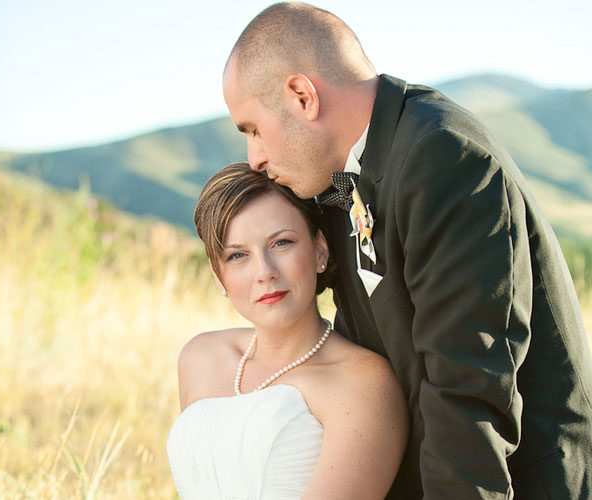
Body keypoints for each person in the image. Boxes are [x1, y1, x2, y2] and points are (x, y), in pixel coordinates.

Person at [222, 3, 592, 499]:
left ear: (302, 96)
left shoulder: (443, 157)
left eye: (253, 129)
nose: (255, 158)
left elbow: (468, 391)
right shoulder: (339, 177)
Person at [167, 162, 408, 499]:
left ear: (320, 249)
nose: (264, 272)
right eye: (238, 255)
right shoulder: (200, 358)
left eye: (281, 243)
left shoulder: (364, 383)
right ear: (218, 275)